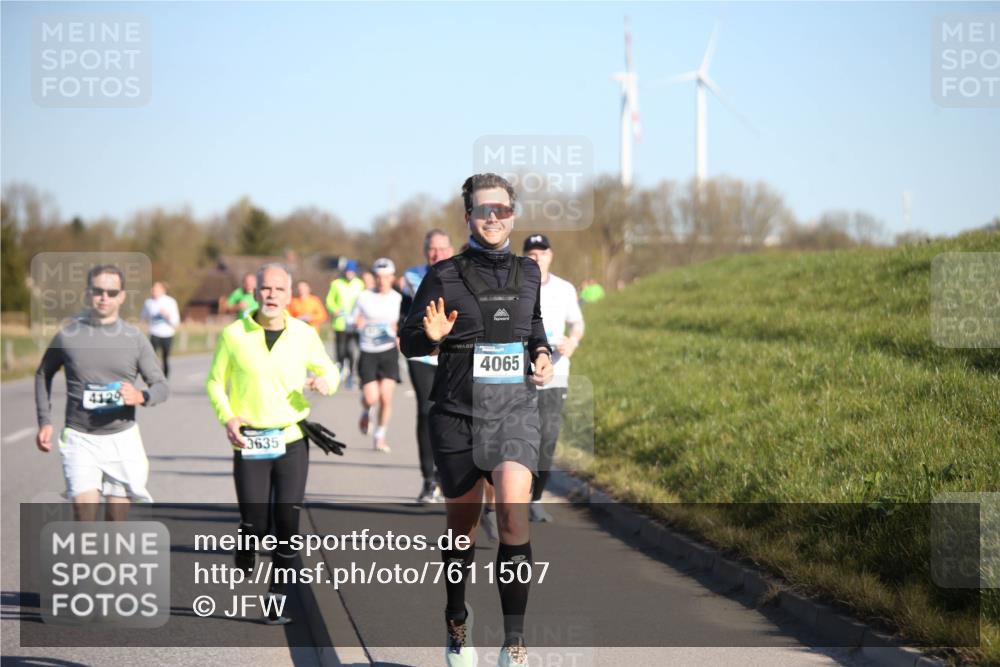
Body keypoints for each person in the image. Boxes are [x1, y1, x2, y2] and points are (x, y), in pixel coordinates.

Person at [400, 173, 553, 667]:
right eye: (484, 210)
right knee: (461, 529)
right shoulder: (443, 275)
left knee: (512, 511)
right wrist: (433, 337)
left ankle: (513, 643)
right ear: (468, 216)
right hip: (457, 416)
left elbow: (533, 324)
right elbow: (409, 341)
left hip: (512, 414)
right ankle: (457, 623)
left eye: (502, 210)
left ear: (513, 214)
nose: (493, 218)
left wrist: (542, 351)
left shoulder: (528, 272)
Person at [206, 263, 339, 625]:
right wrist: (228, 417)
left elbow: (330, 370)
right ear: (254, 292)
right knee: (255, 522)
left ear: (290, 295)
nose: (272, 295)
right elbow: (215, 383)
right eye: (266, 288)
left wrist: (325, 381)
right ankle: (247, 542)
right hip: (250, 440)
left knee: (287, 523)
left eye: (279, 290)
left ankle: (276, 599)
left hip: (292, 438)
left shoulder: (303, 334)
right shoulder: (234, 335)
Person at [35, 265, 169, 521]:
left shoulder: (134, 338)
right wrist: (44, 421)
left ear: (122, 296)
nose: (104, 297)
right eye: (98, 291)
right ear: (87, 294)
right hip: (79, 438)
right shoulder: (68, 335)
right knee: (84, 518)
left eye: (111, 291)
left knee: (115, 524)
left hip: (122, 440)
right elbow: (43, 373)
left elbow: (161, 386)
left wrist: (141, 396)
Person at [522, 234, 584, 523]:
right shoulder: (517, 286)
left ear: (551, 255)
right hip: (521, 373)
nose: (537, 258)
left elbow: (577, 323)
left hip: (556, 373)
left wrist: (573, 342)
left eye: (542, 253)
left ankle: (534, 499)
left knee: (547, 439)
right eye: (531, 254)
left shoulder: (564, 288)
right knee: (519, 438)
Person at [400, 229, 454, 503]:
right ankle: (428, 479)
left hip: (452, 356)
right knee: (426, 410)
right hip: (422, 355)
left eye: (443, 248)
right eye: (433, 248)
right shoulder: (411, 277)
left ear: (451, 250)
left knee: (450, 414)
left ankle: (448, 474)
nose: (438, 254)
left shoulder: (461, 274)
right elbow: (405, 313)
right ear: (425, 251)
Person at [353, 257, 403, 453]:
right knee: (371, 397)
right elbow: (351, 318)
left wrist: (399, 333)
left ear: (392, 278)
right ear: (374, 278)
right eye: (378, 277)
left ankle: (380, 435)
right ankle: (366, 410)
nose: (382, 281)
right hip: (368, 352)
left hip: (388, 352)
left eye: (386, 277)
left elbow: (405, 321)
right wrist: (356, 322)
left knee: (386, 398)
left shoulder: (397, 298)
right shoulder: (364, 297)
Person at [325, 260, 365, 389]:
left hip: (354, 323)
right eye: (348, 271)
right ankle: (342, 368)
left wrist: (361, 316)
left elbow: (364, 300)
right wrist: (334, 309)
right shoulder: (336, 284)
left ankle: (352, 372)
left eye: (352, 271)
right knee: (341, 349)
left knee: (352, 349)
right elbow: (329, 300)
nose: (349, 274)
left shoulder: (359, 284)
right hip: (340, 322)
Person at [140, 281, 181, 378]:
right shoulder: (149, 302)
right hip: (154, 333)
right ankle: (153, 376)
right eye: (153, 288)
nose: (153, 290)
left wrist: (167, 315)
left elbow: (176, 321)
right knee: (152, 357)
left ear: (163, 290)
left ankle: (165, 378)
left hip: (167, 334)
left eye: (156, 288)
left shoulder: (170, 301)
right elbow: (143, 316)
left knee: (165, 357)